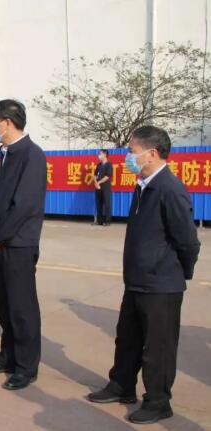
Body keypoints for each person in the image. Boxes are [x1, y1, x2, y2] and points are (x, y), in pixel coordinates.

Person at [88, 126, 200, 425]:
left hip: (161, 285)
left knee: (158, 348)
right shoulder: (143, 186)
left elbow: (188, 242)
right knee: (127, 339)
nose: (128, 157)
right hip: (137, 281)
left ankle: (158, 402)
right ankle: (121, 385)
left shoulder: (169, 189)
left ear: (151, 153)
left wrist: (177, 273)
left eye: (132, 151)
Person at [0, 99, 47, 391]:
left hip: (17, 244)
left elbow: (24, 205)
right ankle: (8, 355)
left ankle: (26, 366)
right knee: (4, 305)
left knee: (21, 307)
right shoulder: (5, 154)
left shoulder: (31, 155)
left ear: (7, 123)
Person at [94, 149, 113, 226]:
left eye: (100, 154)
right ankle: (99, 221)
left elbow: (108, 176)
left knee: (107, 204)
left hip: (105, 187)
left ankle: (107, 221)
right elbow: (95, 175)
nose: (99, 155)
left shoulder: (109, 165)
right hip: (97, 187)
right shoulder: (98, 165)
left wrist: (99, 182)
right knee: (98, 204)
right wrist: (95, 182)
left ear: (105, 154)